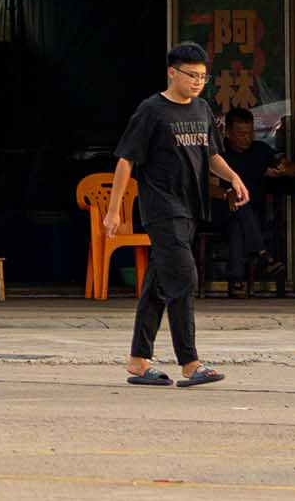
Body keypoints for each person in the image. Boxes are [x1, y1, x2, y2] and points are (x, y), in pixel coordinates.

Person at [105, 42, 250, 388]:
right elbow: (126, 158)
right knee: (184, 277)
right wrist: (113, 210)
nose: (198, 81)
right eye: (191, 75)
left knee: (158, 284)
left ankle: (139, 360)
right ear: (173, 73)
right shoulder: (151, 111)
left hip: (190, 208)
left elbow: (211, 154)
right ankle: (190, 362)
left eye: (203, 76)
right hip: (161, 208)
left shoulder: (201, 109)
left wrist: (233, 177)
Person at [213, 108, 284, 298]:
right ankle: (263, 254)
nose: (247, 138)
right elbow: (205, 186)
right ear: (227, 133)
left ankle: (237, 280)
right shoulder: (217, 154)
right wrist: (225, 194)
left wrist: (282, 168)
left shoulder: (260, 150)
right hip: (220, 213)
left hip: (252, 214)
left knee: (239, 222)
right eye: (241, 134)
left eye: (250, 132)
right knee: (237, 205)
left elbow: (286, 165)